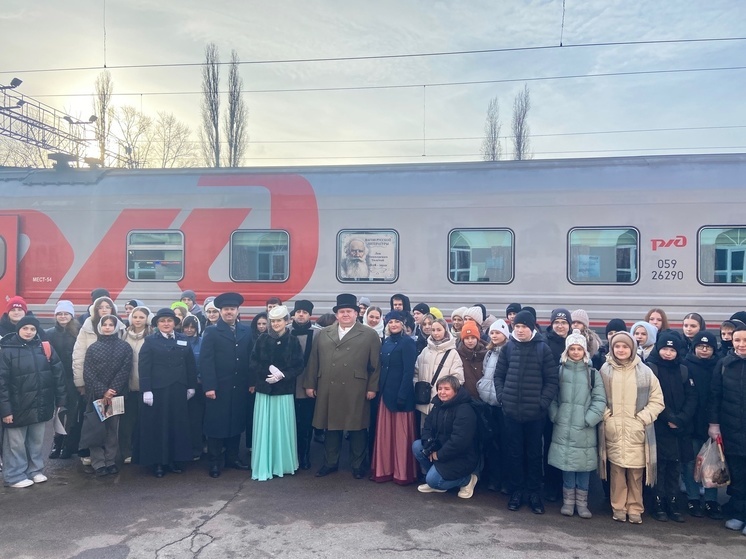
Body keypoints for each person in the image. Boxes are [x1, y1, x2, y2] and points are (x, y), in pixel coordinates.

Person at [304, 293, 381, 479]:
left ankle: (357, 465)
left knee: (357, 428)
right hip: (328, 386)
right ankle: (330, 463)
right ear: (336, 315)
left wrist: (372, 388)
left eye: (349, 311)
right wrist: (310, 384)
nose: (345, 314)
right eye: (342, 312)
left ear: (356, 313)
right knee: (331, 427)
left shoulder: (369, 334)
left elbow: (375, 365)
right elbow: (314, 360)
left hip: (357, 388)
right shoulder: (324, 333)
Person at [495, 309, 559, 515]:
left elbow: (552, 380)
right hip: (511, 411)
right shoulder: (508, 348)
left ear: (531, 328)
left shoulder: (543, 349)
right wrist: (503, 397)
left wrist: (542, 402)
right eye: (517, 326)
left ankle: (534, 493)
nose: (520, 330)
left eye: (524, 326)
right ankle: (517, 491)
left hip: (535, 414)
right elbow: (499, 376)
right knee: (514, 453)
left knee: (534, 454)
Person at [598, 332, 664, 524]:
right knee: (617, 472)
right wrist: (606, 417)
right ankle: (618, 507)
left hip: (637, 431)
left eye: (625, 347)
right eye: (617, 346)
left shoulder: (645, 372)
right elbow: (597, 396)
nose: (621, 350)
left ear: (632, 349)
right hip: (614, 429)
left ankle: (635, 508)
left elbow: (657, 400)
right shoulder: (605, 370)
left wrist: (643, 418)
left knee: (636, 473)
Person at [0, 316, 66, 488]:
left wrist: (60, 399)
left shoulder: (44, 347)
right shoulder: (6, 350)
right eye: (25, 328)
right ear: (18, 330)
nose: (29, 332)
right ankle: (14, 475)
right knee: (15, 444)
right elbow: (2, 383)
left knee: (36, 441)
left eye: (32, 329)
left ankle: (35, 471)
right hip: (16, 407)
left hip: (40, 404)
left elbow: (58, 375)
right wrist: (5, 410)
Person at [548, 330, 606, 518]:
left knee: (584, 467)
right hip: (563, 426)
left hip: (584, 429)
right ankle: (568, 502)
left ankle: (582, 503)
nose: (575, 352)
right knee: (567, 465)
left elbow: (599, 400)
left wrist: (589, 419)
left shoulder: (592, 374)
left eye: (578, 348)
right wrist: (555, 415)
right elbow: (552, 397)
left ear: (584, 351)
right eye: (571, 348)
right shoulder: (559, 371)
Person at [137, 308, 198, 477]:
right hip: (158, 390)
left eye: (169, 321)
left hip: (178, 389)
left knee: (177, 426)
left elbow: (190, 365)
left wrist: (191, 386)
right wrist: (146, 390)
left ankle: (174, 460)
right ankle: (159, 462)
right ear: (157, 324)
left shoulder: (183, 340)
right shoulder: (150, 341)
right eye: (162, 321)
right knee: (159, 426)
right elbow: (144, 367)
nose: (166, 324)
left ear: (174, 323)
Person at [199, 292, 253, 478]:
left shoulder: (246, 331)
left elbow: (251, 359)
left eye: (232, 309)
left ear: (238, 311)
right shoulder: (212, 332)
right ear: (220, 312)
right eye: (225, 309)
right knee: (216, 425)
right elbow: (206, 361)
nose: (229, 312)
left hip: (239, 386)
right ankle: (214, 462)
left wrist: (251, 382)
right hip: (218, 387)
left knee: (236, 423)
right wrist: (209, 386)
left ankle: (232, 457)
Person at [249, 305, 304, 481]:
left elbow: (299, 365)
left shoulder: (293, 341)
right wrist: (268, 369)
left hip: (284, 391)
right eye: (273, 321)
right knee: (265, 427)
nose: (275, 324)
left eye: (279, 320)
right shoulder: (262, 339)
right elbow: (253, 362)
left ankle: (283, 464)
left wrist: (284, 375)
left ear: (286, 321)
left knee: (282, 428)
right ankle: (265, 464)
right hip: (265, 390)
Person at [370, 310, 418, 485]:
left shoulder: (408, 343)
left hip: (400, 396)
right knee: (385, 435)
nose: (394, 325)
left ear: (403, 324)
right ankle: (385, 469)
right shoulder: (386, 342)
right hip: (385, 394)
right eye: (391, 322)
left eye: (397, 322)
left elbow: (408, 371)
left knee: (400, 435)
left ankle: (401, 472)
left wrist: (402, 394)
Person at [412, 375, 479, 498]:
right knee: (417, 446)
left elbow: (459, 441)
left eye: (447, 389)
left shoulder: (465, 410)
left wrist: (439, 454)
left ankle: (467, 480)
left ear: (456, 390)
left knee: (433, 480)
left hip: (461, 456)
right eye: (440, 388)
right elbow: (427, 426)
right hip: (441, 449)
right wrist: (430, 446)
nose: (442, 392)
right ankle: (439, 480)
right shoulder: (438, 405)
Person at [82, 314, 133, 477]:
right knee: (96, 430)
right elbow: (88, 373)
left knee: (113, 429)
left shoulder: (124, 347)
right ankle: (98, 462)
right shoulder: (92, 348)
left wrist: (112, 390)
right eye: (105, 325)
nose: (108, 327)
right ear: (100, 327)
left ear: (116, 327)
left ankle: (110, 460)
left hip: (116, 396)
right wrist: (102, 391)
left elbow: (125, 371)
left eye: (111, 324)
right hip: (96, 396)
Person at [708, 324, 746, 535]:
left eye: (745, 341)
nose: (741, 345)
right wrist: (714, 424)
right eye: (737, 340)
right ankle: (739, 515)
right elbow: (715, 396)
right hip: (732, 430)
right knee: (738, 476)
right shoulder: (724, 364)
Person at [682, 331, 723, 519]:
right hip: (691, 423)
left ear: (714, 349)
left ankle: (711, 501)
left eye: (708, 347)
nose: (704, 350)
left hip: (713, 422)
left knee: (712, 463)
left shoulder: (719, 365)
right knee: (691, 463)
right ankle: (692, 498)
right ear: (694, 347)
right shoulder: (686, 365)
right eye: (700, 346)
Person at [477, 319, 510, 492]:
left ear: (505, 334)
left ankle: (505, 479)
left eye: (498, 332)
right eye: (492, 333)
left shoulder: (509, 352)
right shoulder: (488, 353)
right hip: (488, 402)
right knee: (491, 443)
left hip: (502, 404)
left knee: (504, 443)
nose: (494, 335)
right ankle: (494, 478)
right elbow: (485, 373)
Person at [45, 300, 80, 460]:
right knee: (58, 412)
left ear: (71, 316)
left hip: (73, 379)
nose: (63, 316)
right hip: (56, 379)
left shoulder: (78, 332)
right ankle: (56, 443)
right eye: (59, 314)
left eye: (66, 313)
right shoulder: (49, 333)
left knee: (72, 414)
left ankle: (68, 444)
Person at [414, 318, 464, 428]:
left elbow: (458, 378)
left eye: (439, 330)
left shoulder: (453, 353)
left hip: (443, 404)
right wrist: (418, 387)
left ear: (445, 331)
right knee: (425, 434)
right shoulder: (425, 351)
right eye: (433, 330)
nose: (435, 333)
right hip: (424, 403)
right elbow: (416, 372)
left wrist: (445, 392)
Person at [120, 305, 152, 465]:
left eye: (141, 317)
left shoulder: (152, 335)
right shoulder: (123, 334)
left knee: (144, 420)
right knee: (127, 421)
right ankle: (127, 451)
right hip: (127, 386)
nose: (138, 320)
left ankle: (143, 450)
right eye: (135, 317)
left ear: (147, 319)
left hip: (146, 386)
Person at [289, 300, 318, 470]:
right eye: (298, 311)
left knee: (306, 423)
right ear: (293, 314)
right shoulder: (286, 331)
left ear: (309, 315)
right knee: (289, 422)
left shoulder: (317, 334)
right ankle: (291, 455)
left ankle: (305, 454)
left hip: (308, 384)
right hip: (288, 385)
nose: (301, 314)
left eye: (305, 312)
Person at [182, 315, 205, 461]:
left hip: (198, 386)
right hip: (181, 385)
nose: (189, 330)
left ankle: (197, 448)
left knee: (196, 419)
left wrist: (199, 378)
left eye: (192, 327)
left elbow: (204, 362)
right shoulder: (178, 340)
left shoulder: (202, 342)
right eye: (186, 327)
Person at [458, 320, 487, 400]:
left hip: (483, 397)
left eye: (473, 337)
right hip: (466, 399)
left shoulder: (485, 354)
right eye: (467, 338)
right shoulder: (458, 355)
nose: (470, 341)